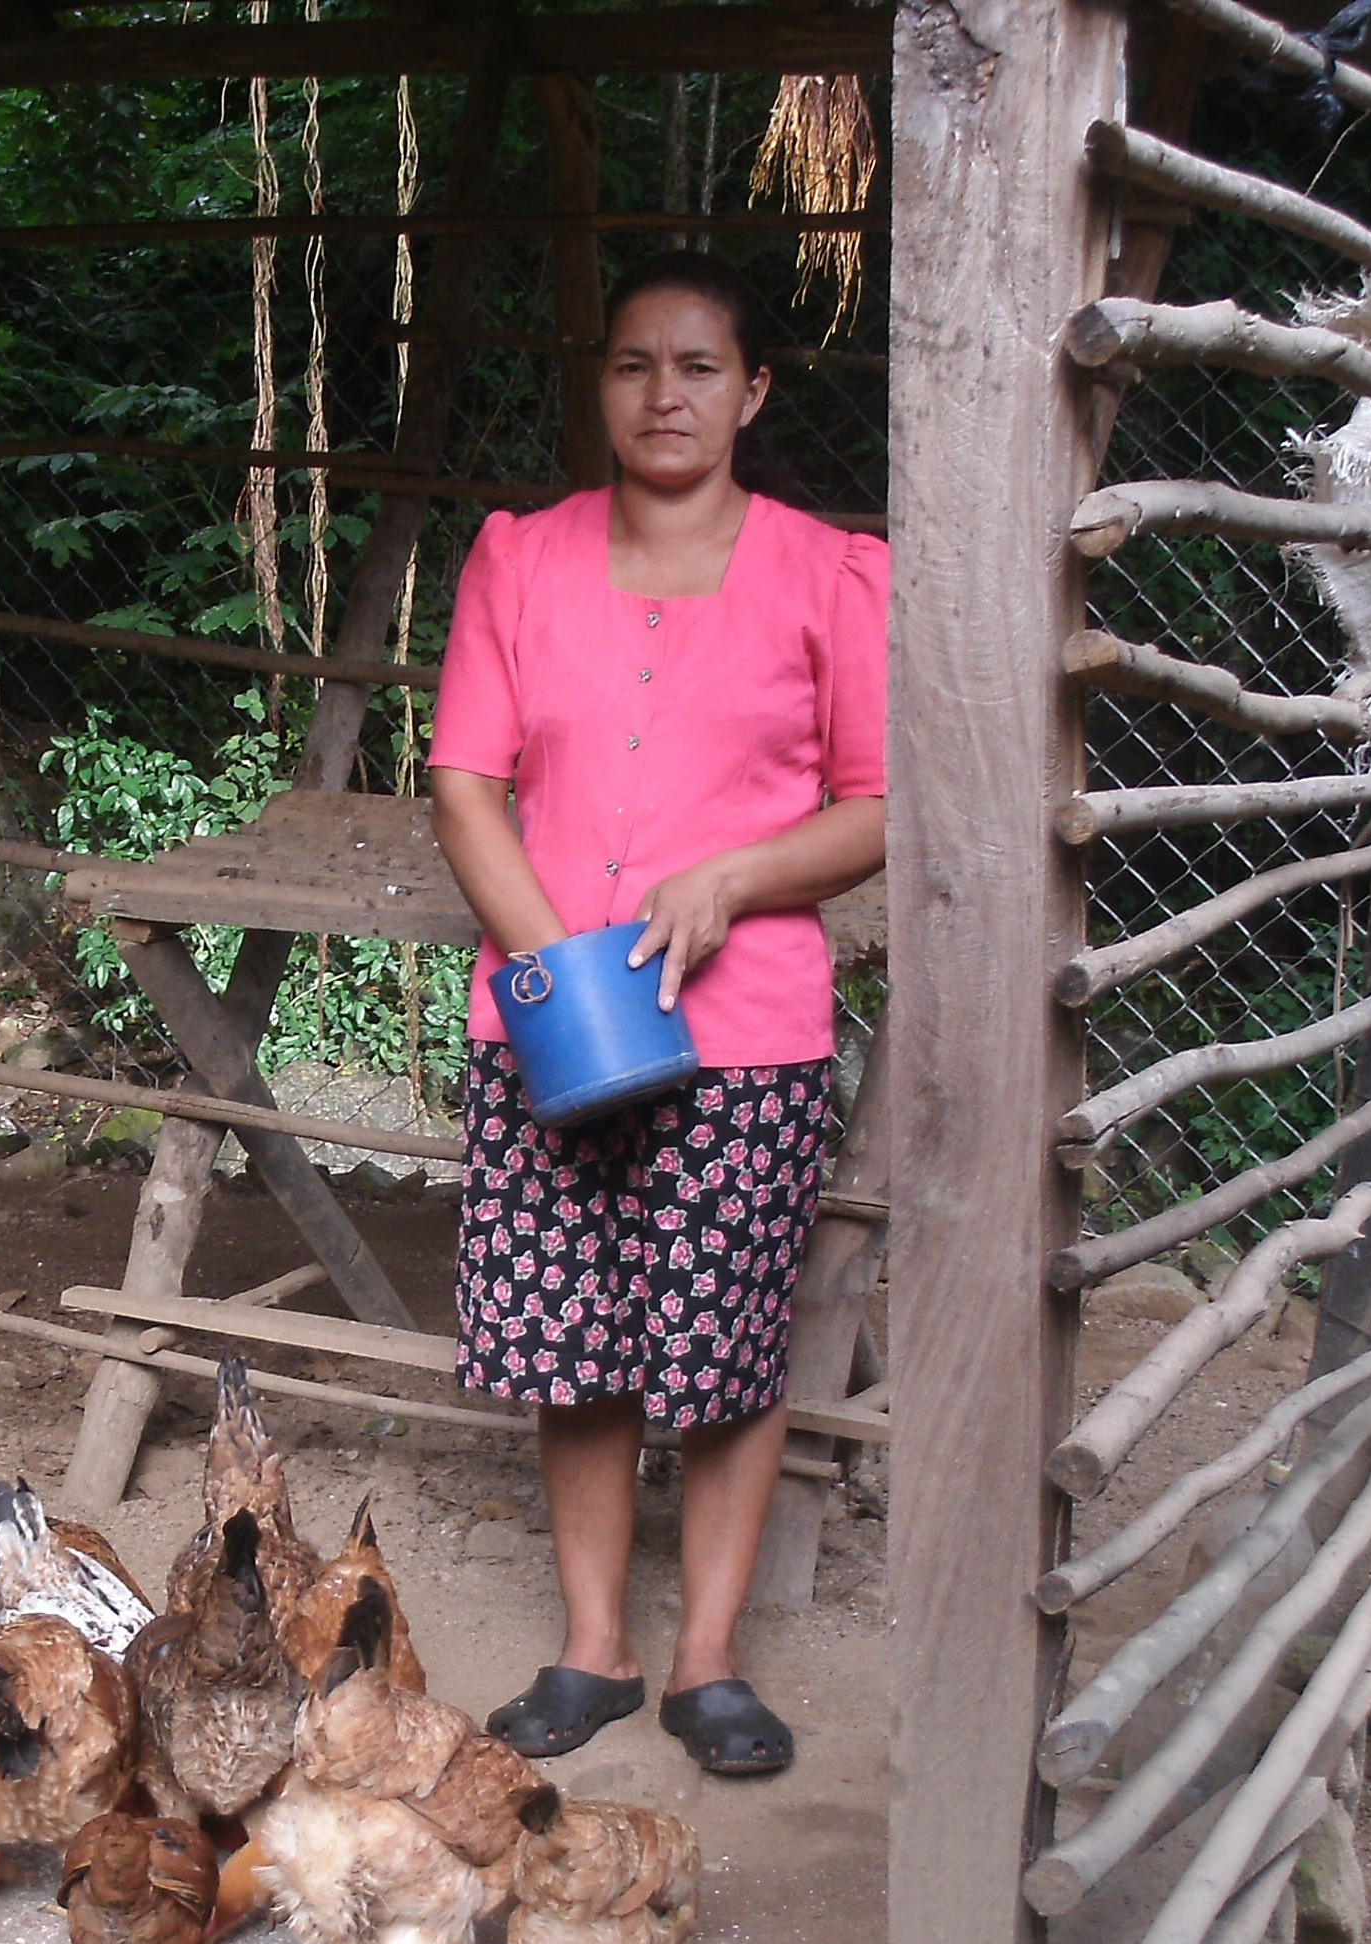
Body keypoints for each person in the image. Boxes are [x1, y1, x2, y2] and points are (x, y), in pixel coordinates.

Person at [427, 249, 887, 1780]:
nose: (664, 394)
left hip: (744, 1024)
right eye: (634, 365)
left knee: (728, 1346)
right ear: (601, 386)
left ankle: (706, 1660)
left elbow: (878, 807)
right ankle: (593, 1647)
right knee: (577, 1344)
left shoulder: (829, 573)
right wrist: (560, 971)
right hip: (555, 1018)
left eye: (698, 368)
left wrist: (736, 876)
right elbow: (466, 783)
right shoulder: (519, 557)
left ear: (751, 392)